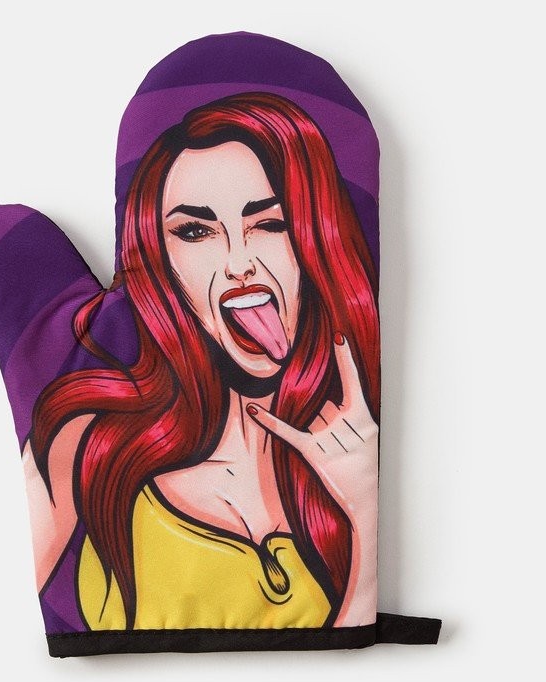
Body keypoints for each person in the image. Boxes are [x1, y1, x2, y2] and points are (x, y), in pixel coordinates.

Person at [22, 92, 380, 632]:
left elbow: (347, 638)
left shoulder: (350, 449)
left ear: (315, 237)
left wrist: (362, 502)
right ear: (160, 260)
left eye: (270, 224)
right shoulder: (87, 436)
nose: (239, 264)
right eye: (196, 232)